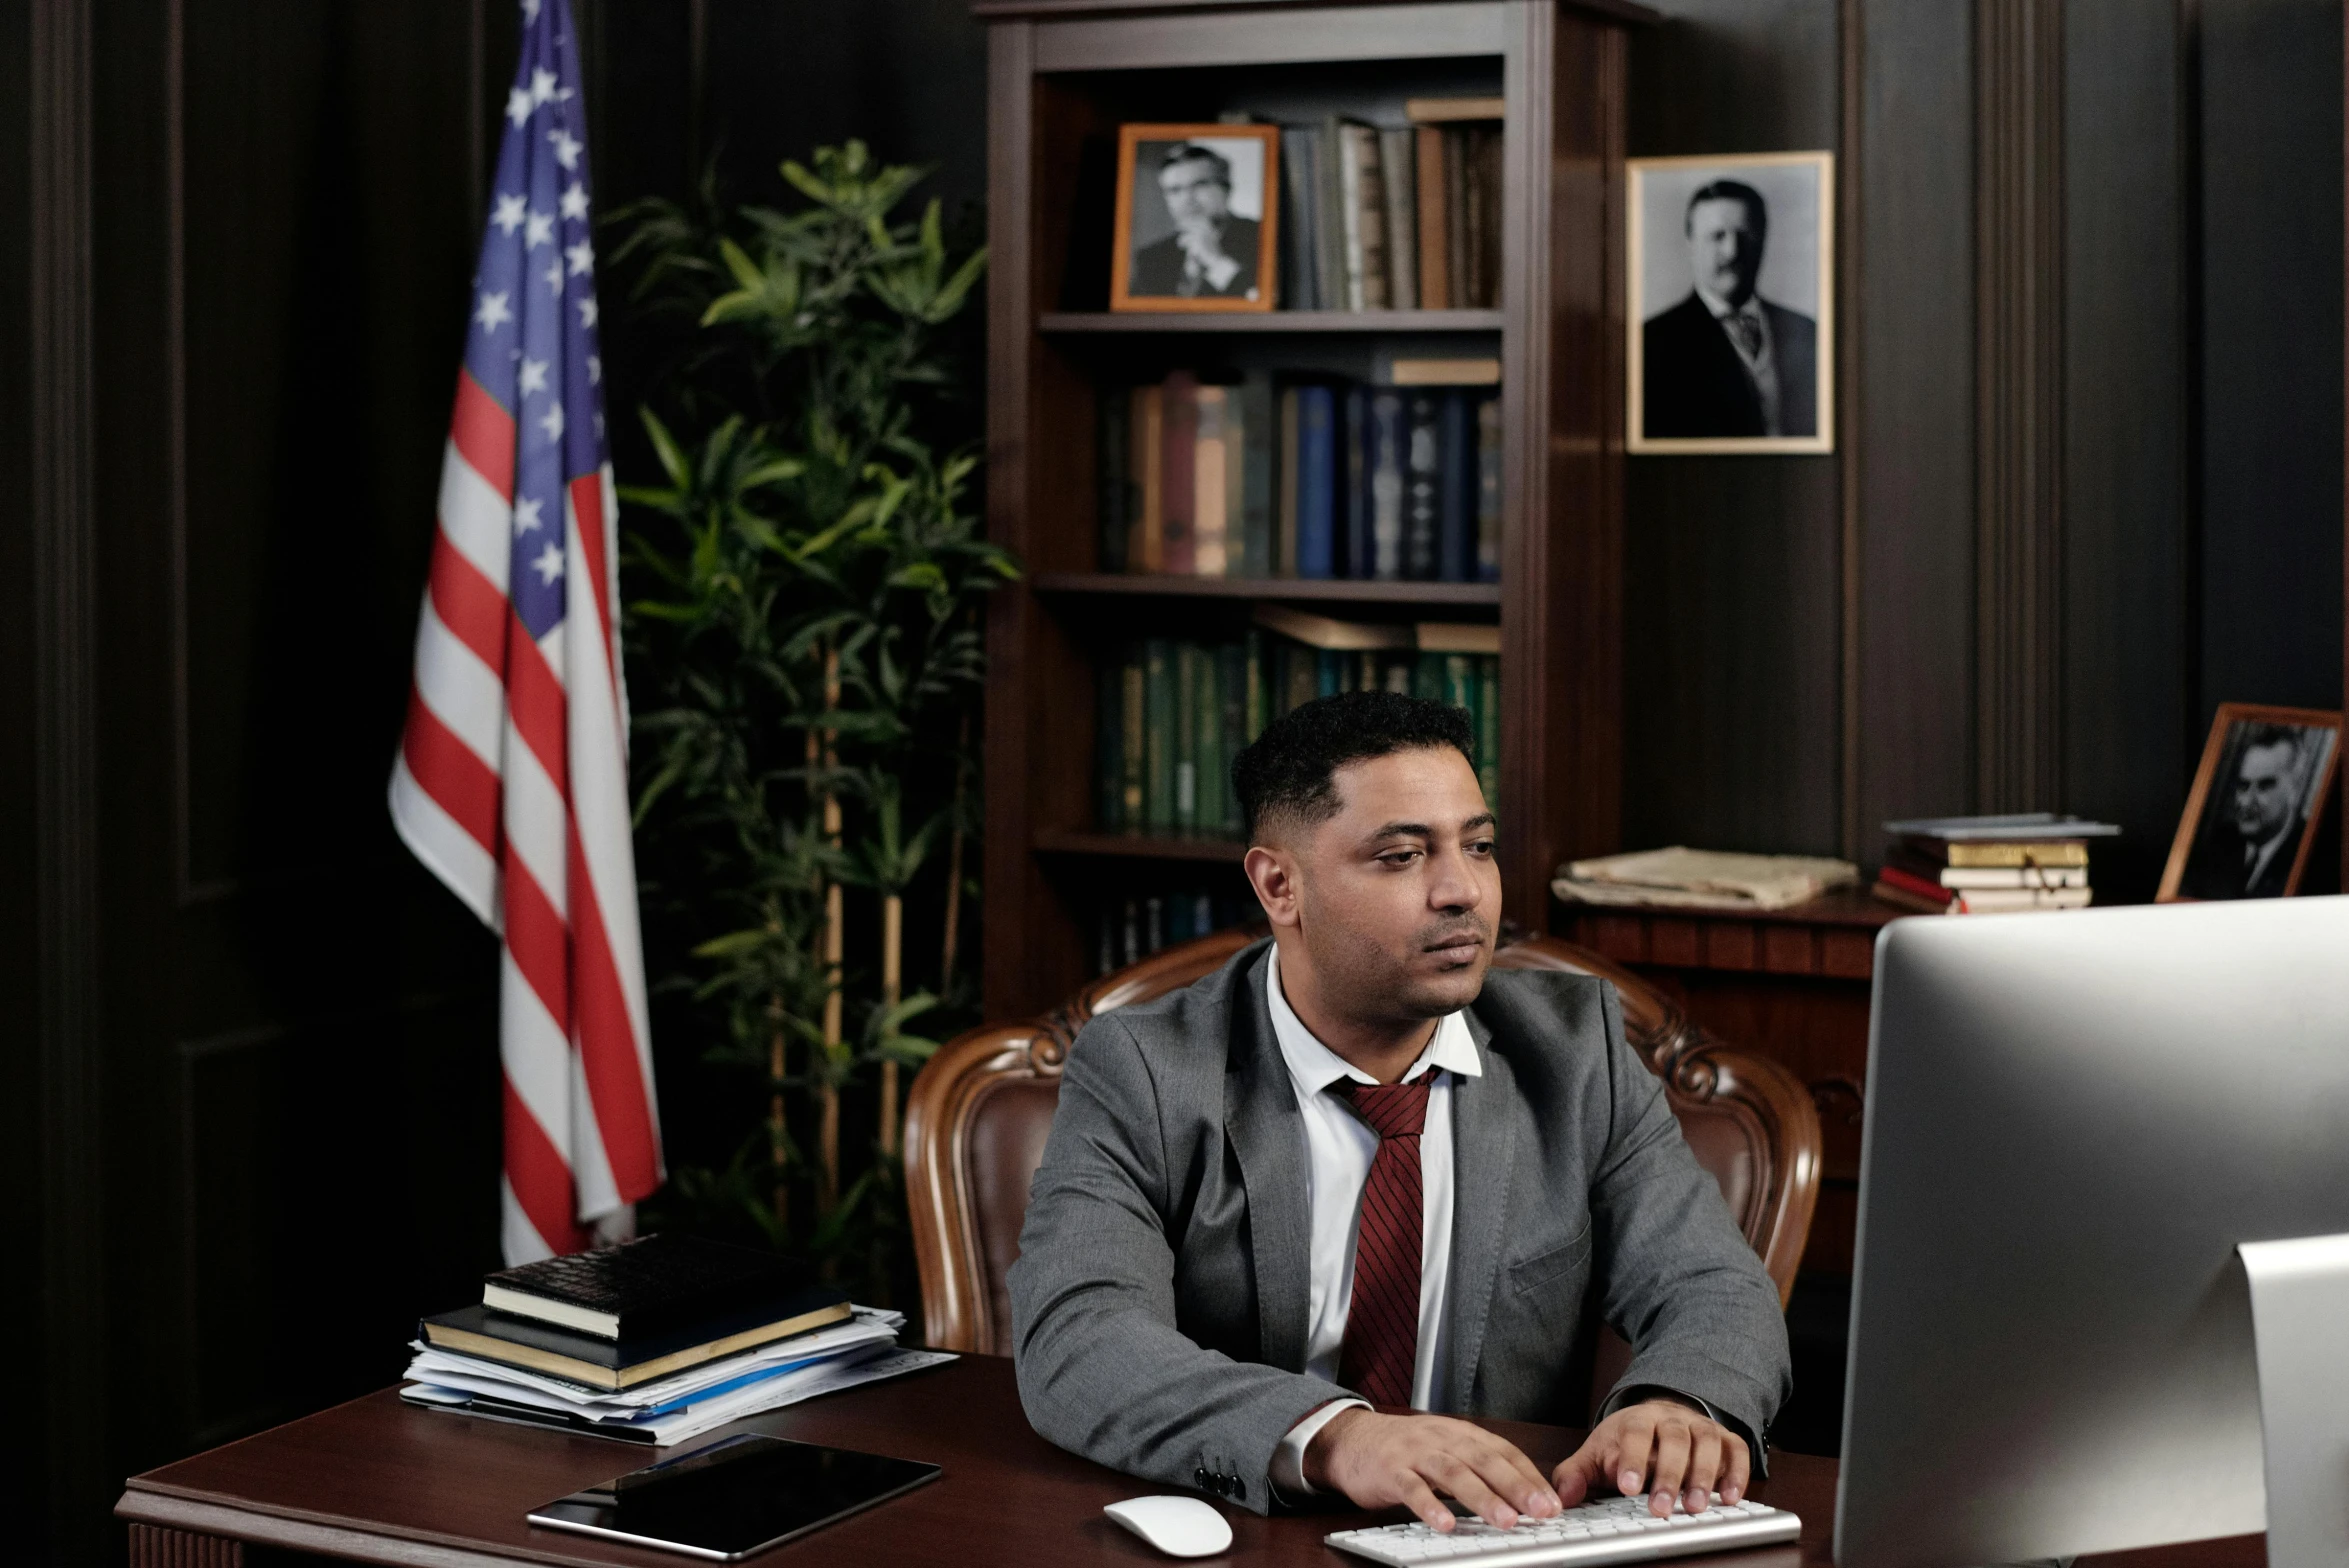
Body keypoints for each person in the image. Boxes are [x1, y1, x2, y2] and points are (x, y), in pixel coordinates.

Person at [1009, 692, 1790, 1530]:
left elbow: (1711, 1284)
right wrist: (1337, 1437)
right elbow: (1078, 1337)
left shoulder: (1575, 1055)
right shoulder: (1148, 1069)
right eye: (1400, 857)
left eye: (1479, 847)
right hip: (1262, 1532)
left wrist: (1675, 1405)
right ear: (1280, 885)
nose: (1462, 891)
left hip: (1498, 1536)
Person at [1642, 180, 1816, 438]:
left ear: (1763, 240)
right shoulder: (1652, 342)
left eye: (1745, 236)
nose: (1732, 251)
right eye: (1717, 236)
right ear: (1691, 244)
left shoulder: (1807, 332)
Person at [2181, 725, 2314, 899]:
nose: (2247, 801)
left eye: (2264, 786)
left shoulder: (2312, 854)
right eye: (2243, 786)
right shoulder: (2220, 842)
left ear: (2295, 790)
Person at [1129, 142, 1261, 300]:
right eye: (1175, 190)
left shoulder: (1262, 237)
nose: (1187, 199)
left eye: (1199, 185)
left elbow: (1261, 301)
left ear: (1227, 188)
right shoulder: (1151, 259)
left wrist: (1216, 262)